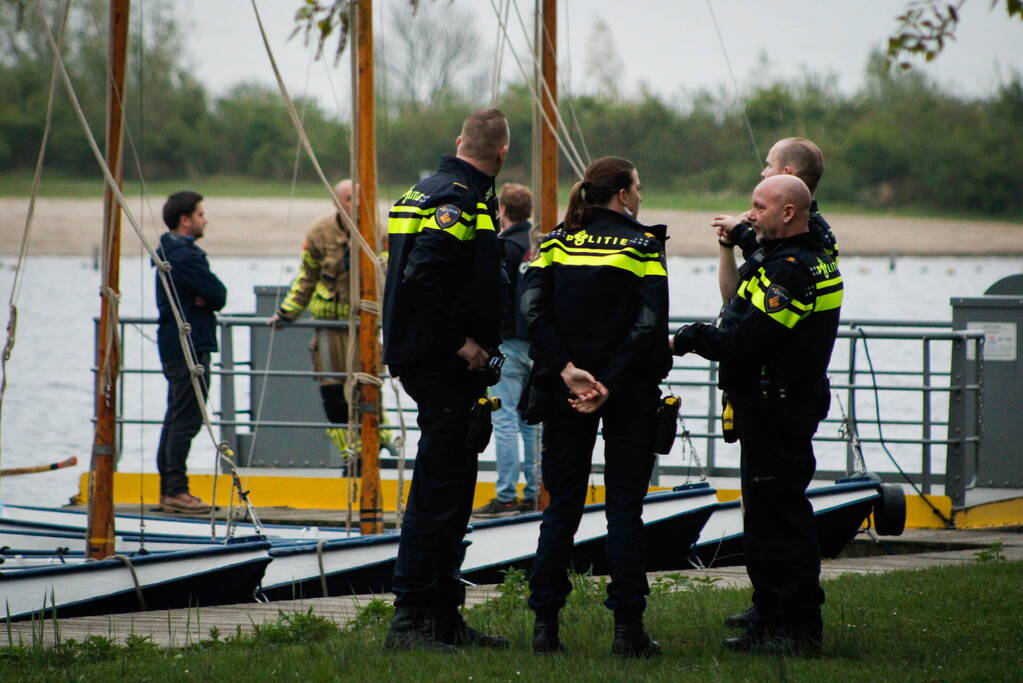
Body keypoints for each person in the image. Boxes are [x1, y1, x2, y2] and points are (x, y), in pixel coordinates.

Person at [672, 174, 843, 655]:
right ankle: (769, 617)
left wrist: (684, 338)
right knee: (766, 521)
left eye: (758, 207)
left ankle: (798, 628)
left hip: (779, 409)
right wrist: (740, 236)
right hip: (775, 405)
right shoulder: (804, 255)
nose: (751, 214)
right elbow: (758, 262)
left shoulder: (792, 272)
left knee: (781, 522)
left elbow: (745, 342)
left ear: (788, 213)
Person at [522, 156, 669, 658]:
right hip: (626, 392)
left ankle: (545, 629)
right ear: (623, 195)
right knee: (625, 508)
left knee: (561, 506)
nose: (641, 197)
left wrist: (566, 369)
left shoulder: (555, 242)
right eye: (639, 188)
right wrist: (608, 383)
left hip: (565, 389)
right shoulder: (644, 244)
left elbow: (531, 312)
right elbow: (649, 326)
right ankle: (628, 632)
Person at [381, 108, 511, 652]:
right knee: (439, 491)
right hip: (442, 363)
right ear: (502, 153)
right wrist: (461, 343)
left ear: (460, 141)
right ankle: (411, 622)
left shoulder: (425, 189)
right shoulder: (458, 199)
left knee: (455, 489)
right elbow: (423, 279)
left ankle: (444, 617)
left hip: (435, 361)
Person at [268, 180, 355, 460]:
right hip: (329, 329)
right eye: (349, 198)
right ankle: (349, 456)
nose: (356, 204)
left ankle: (372, 452)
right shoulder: (319, 233)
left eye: (359, 198)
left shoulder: (378, 232)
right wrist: (286, 313)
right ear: (336, 202)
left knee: (366, 394)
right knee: (333, 396)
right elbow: (306, 277)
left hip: (364, 328)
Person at [154, 191, 227, 514]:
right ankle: (175, 490)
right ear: (185, 220)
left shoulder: (167, 252)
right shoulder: (184, 256)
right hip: (188, 344)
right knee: (185, 418)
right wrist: (205, 298)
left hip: (176, 343)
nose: (205, 219)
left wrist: (205, 298)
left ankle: (169, 488)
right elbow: (217, 294)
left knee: (175, 417)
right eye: (200, 214)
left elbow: (209, 295)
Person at [472, 182, 539, 517]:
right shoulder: (537, 245)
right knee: (531, 420)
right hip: (537, 344)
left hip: (510, 342)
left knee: (505, 418)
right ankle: (535, 491)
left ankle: (506, 494)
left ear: (503, 211)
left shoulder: (504, 248)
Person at [712, 137, 837, 303]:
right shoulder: (804, 231)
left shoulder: (810, 233)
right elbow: (732, 301)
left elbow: (777, 264)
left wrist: (741, 233)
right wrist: (726, 244)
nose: (763, 172)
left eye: (770, 165)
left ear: (787, 174)